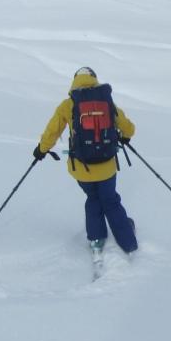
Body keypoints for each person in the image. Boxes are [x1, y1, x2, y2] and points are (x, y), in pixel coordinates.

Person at [33, 67, 138, 254]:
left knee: (93, 199)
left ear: (75, 81)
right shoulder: (106, 101)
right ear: (94, 79)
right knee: (110, 200)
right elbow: (128, 128)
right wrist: (125, 136)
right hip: (107, 166)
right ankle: (128, 242)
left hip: (81, 168)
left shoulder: (68, 104)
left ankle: (97, 239)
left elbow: (52, 131)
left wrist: (41, 150)